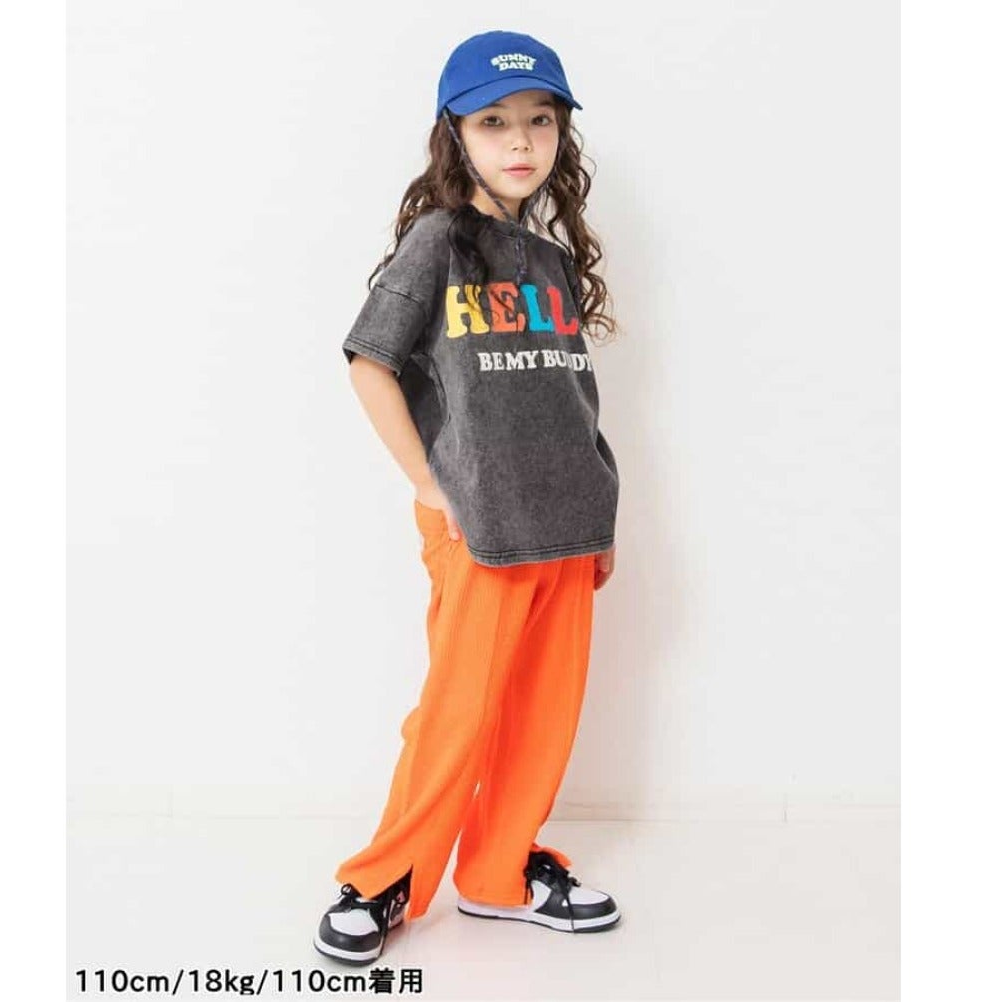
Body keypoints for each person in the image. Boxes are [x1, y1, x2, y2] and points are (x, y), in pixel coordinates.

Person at [313, 29, 623, 967]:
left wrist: (603, 515)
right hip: (480, 523)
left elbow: (571, 396)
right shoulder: (440, 242)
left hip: (570, 521)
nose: (521, 140)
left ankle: (500, 873)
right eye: (494, 122)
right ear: (456, 133)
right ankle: (384, 877)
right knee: (456, 712)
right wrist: (427, 483)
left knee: (541, 715)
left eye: (540, 120)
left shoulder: (552, 261)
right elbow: (369, 363)